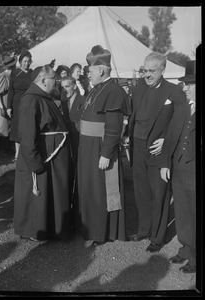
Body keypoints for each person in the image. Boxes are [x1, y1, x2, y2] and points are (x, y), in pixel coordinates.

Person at [127, 52, 187, 253]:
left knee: (159, 193)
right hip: (137, 146)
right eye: (145, 70)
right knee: (141, 192)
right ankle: (144, 229)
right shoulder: (137, 89)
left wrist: (166, 140)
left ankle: (157, 237)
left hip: (158, 150)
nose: (147, 75)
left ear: (163, 70)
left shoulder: (174, 92)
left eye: (152, 71)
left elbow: (181, 121)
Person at [77, 45, 131, 246]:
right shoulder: (98, 88)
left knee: (100, 190)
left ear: (100, 69)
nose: (87, 73)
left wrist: (106, 153)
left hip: (100, 148)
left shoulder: (114, 91)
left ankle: (101, 230)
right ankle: (90, 226)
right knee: (90, 188)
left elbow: (114, 126)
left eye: (90, 70)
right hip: (88, 147)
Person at [13, 65, 72, 242]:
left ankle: (52, 228)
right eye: (54, 77)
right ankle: (37, 230)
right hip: (43, 156)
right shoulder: (31, 100)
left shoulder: (43, 98)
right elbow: (27, 135)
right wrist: (34, 162)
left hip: (51, 155)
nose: (57, 81)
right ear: (43, 79)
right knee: (40, 197)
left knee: (52, 194)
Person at [159, 60, 196, 274]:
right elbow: (171, 137)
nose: (184, 88)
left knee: (195, 213)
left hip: (194, 171)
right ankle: (185, 247)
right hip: (178, 168)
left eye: (189, 84)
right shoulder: (182, 107)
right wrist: (165, 164)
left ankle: (195, 257)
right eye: (184, 84)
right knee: (182, 211)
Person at [60, 76, 86, 231]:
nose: (65, 90)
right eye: (62, 87)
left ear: (75, 86)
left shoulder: (83, 101)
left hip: (79, 142)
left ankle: (79, 214)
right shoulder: (63, 103)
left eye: (67, 86)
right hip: (67, 144)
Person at [7, 50, 33, 162]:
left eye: (28, 61)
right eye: (24, 61)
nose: (26, 63)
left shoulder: (33, 74)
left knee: (29, 126)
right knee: (17, 127)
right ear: (20, 61)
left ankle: (27, 151)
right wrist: (8, 107)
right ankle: (17, 153)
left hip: (30, 104)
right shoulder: (15, 73)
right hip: (17, 104)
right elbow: (10, 91)